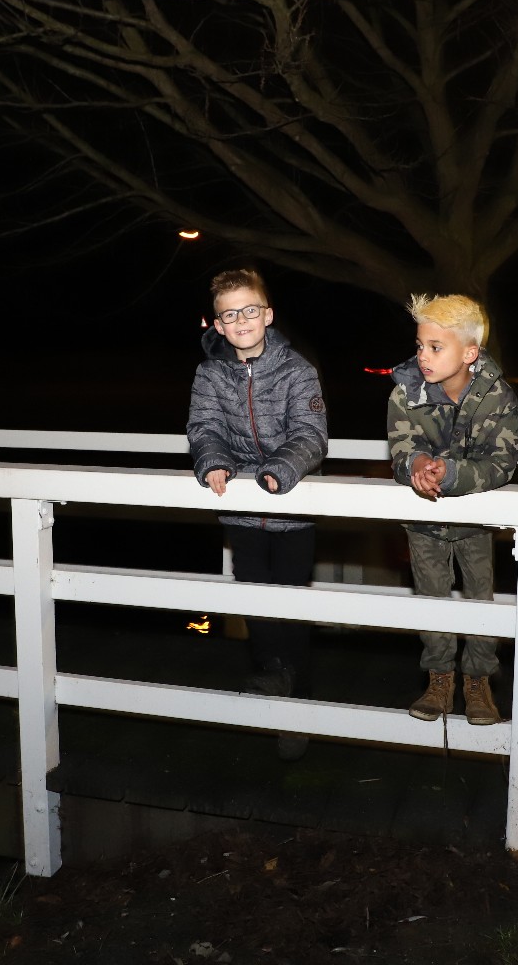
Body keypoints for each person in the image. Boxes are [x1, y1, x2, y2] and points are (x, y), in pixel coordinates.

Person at [187, 267, 328, 759]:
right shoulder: (209, 374)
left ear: (267, 315)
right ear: (218, 324)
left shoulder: (297, 371)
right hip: (243, 514)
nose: (241, 320)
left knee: (291, 609)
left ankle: (298, 711)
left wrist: (279, 471)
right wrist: (214, 462)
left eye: (250, 310)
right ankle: (274, 685)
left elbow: (311, 434)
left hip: (293, 510)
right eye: (230, 314)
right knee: (255, 601)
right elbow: (204, 427)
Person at [388, 294, 518, 725]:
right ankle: (439, 677)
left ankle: (478, 681)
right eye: (420, 345)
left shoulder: (497, 396)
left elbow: (501, 463)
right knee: (431, 598)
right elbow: (401, 448)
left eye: (435, 347)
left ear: (469, 353)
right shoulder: (406, 392)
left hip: (474, 521)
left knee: (480, 598)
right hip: (424, 520)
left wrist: (452, 474)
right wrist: (416, 465)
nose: (423, 356)